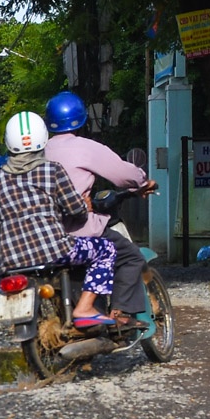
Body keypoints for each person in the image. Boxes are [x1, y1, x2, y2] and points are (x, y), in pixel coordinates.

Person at [0, 111, 117, 326]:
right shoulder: (52, 169)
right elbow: (75, 209)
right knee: (106, 249)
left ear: (8, 142)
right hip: (56, 251)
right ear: (44, 138)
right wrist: (85, 206)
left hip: (12, 260)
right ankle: (84, 308)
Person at [42, 92, 155, 324]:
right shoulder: (84, 147)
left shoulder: (39, 151)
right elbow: (124, 175)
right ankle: (121, 314)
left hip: (42, 236)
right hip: (77, 230)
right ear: (81, 119)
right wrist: (142, 182)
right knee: (131, 256)